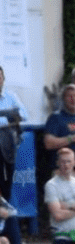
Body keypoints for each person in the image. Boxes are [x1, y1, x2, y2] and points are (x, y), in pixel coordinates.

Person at [0, 64, 29, 204]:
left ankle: (6, 205)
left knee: (8, 181)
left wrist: (10, 116)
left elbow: (24, 115)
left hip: (8, 141)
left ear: (3, 79)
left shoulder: (11, 97)